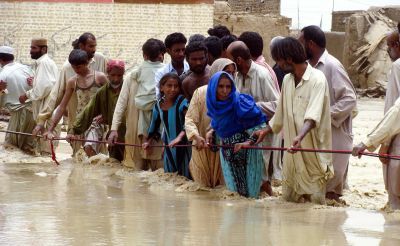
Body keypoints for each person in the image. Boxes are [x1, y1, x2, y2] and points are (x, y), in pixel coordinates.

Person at [253, 37, 333, 204]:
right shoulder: (288, 81)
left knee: (316, 209)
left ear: (288, 59)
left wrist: (300, 137)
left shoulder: (318, 80)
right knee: (288, 206)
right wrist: (266, 131)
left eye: (279, 61)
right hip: (291, 156)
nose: (278, 66)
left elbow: (313, 116)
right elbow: (280, 113)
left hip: (314, 155)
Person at [299, 25, 357, 203]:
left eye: (300, 42)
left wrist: (323, 115)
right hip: (317, 136)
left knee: (331, 194)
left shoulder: (332, 66)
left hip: (336, 136)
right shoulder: (308, 68)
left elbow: (349, 99)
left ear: (310, 44)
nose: (298, 47)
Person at [352, 30, 400, 210]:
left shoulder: (398, 66)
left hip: (396, 142)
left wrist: (376, 143)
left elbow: (395, 112)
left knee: (395, 205)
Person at [227, 41, 281, 195]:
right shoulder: (236, 76)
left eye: (231, 60)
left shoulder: (262, 75)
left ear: (238, 60)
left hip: (264, 131)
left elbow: (278, 106)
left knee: (261, 173)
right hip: (244, 132)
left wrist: (253, 107)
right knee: (248, 172)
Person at [33, 32, 107, 142]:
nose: (94, 49)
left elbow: (110, 93)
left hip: (98, 121)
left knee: (97, 154)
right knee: (79, 155)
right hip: (77, 121)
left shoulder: (100, 60)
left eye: (95, 46)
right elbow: (56, 95)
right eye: (90, 46)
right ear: (81, 46)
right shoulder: (68, 68)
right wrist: (42, 121)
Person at [206, 71, 266, 198]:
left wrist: (248, 142)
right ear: (213, 88)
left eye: (228, 87)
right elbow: (221, 129)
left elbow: (261, 127)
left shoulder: (241, 103)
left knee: (250, 197)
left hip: (249, 154)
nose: (225, 91)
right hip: (228, 157)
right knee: (234, 197)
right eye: (220, 87)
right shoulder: (214, 107)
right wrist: (211, 134)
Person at [109, 38, 165, 170]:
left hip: (159, 133)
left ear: (144, 55)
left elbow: (120, 104)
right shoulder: (132, 77)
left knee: (157, 173)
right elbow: (121, 103)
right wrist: (114, 129)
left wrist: (114, 129)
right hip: (137, 133)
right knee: (136, 175)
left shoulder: (166, 78)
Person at [45, 49, 108, 157]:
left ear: (87, 63)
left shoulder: (100, 78)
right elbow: (62, 106)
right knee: (79, 155)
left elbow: (111, 101)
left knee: (89, 148)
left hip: (96, 121)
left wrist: (105, 116)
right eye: (73, 67)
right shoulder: (72, 82)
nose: (76, 70)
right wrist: (50, 130)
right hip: (79, 122)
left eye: (78, 67)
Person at [185, 58, 236, 188]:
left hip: (224, 151)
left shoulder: (234, 96)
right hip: (201, 149)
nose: (229, 76)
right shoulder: (201, 93)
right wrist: (195, 136)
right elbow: (190, 119)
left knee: (223, 190)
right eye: (226, 72)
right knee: (201, 192)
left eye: (232, 73)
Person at [68, 60, 126, 161]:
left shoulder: (128, 89)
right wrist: (73, 130)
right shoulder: (102, 92)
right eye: (113, 75)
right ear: (108, 75)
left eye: (119, 75)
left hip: (130, 136)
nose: (116, 79)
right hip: (114, 138)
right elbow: (89, 111)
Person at [143, 73, 191, 178]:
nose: (173, 89)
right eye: (169, 86)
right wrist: (148, 141)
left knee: (186, 178)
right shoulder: (158, 105)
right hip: (169, 148)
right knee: (170, 178)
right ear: (161, 88)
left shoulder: (182, 102)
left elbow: (189, 122)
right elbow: (154, 125)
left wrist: (179, 138)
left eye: (176, 86)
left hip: (185, 146)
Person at [18, 38, 59, 155]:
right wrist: (35, 82)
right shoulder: (44, 63)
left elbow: (42, 90)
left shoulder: (43, 63)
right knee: (45, 157)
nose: (31, 51)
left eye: (34, 48)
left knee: (47, 157)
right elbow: (47, 84)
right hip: (46, 117)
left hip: (48, 117)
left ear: (44, 49)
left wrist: (26, 95)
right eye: (31, 47)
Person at [0, 46, 36, 153]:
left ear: (1, 59)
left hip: (19, 114)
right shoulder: (27, 69)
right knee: (29, 148)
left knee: (11, 148)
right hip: (34, 113)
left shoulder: (3, 75)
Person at [155, 33, 189, 97]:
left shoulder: (190, 69)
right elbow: (159, 97)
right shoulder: (161, 73)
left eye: (183, 50)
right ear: (168, 51)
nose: (181, 54)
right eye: (177, 51)